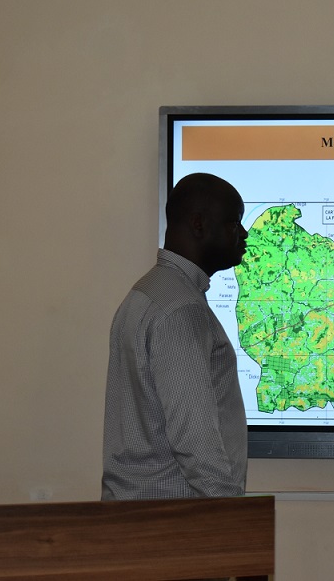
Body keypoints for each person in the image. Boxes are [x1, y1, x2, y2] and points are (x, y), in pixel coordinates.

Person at [102, 173, 250, 500]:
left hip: (140, 514)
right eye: (233, 222)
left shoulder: (147, 292)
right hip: (175, 517)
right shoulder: (181, 308)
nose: (244, 233)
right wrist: (232, 515)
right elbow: (195, 439)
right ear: (198, 224)